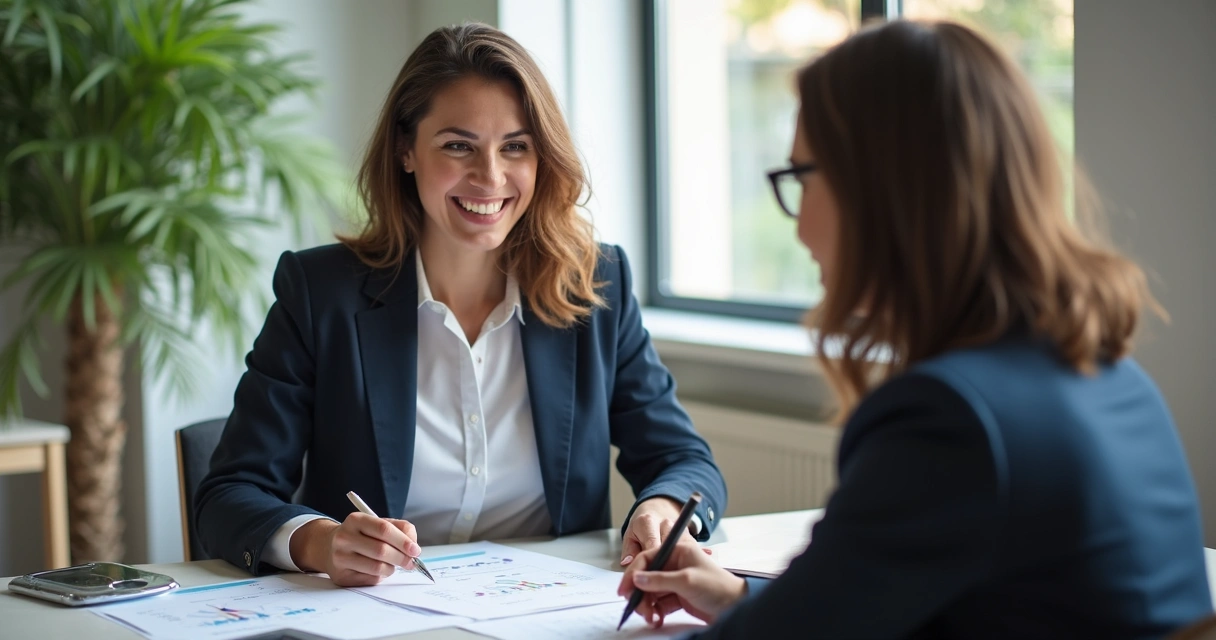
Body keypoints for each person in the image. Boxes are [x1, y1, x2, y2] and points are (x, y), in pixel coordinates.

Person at [618, 19, 1213, 638]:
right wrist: (741, 597)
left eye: (801, 177)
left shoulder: (950, 419)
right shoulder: (1108, 374)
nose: (796, 228)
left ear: (879, 189)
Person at [194, 23, 726, 586]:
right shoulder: (320, 292)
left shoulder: (597, 284)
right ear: (406, 150)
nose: (490, 177)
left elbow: (683, 462)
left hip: (550, 615)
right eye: (458, 145)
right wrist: (319, 542)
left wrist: (662, 511)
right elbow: (228, 495)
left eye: (515, 146)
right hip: (375, 618)